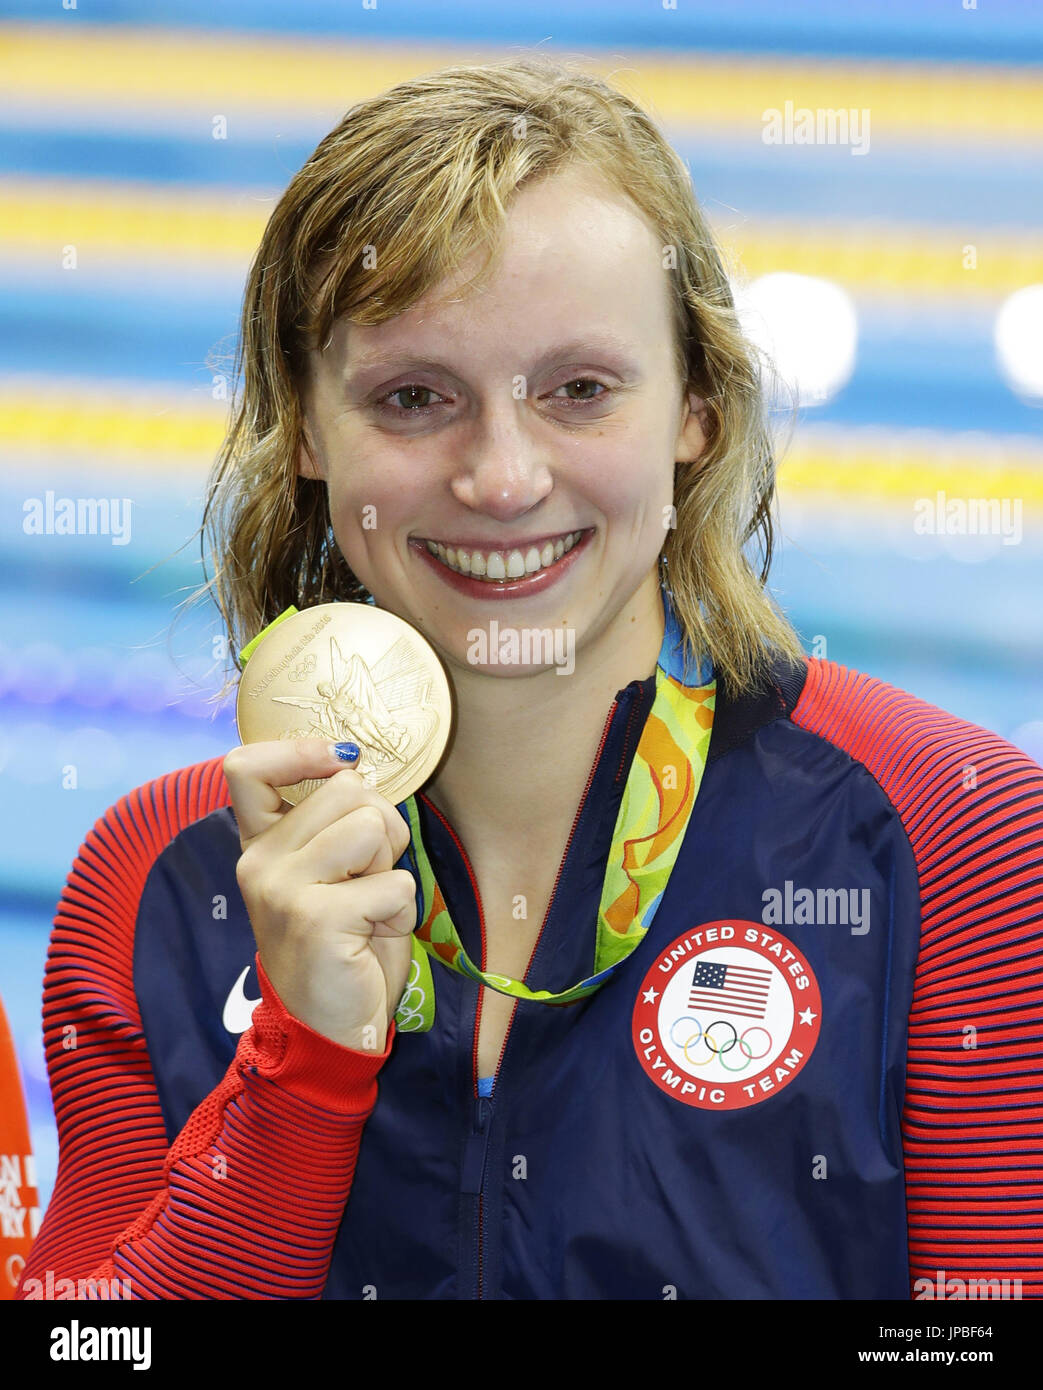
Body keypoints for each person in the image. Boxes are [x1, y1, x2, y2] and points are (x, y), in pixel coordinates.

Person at [17, 56, 1043, 1302]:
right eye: (413, 397)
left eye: (578, 392)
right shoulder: (160, 881)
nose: (501, 478)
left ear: (697, 406)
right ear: (305, 427)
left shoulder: (949, 835)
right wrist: (303, 1069)